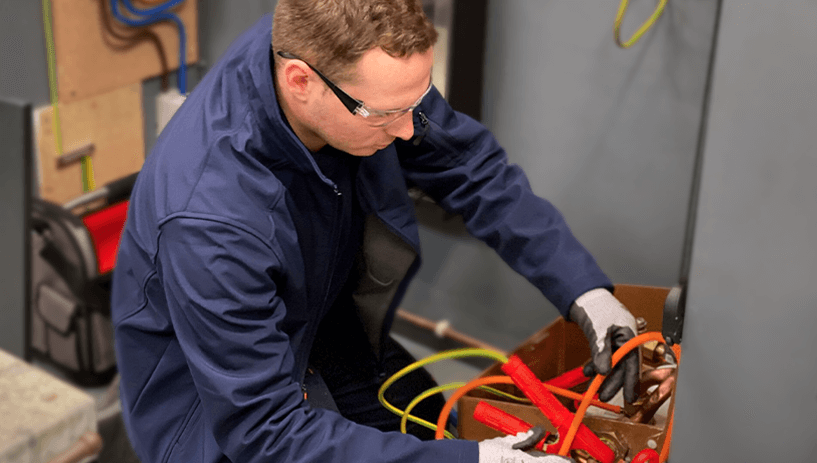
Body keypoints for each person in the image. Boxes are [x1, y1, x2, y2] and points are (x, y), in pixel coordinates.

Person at [111, 1, 639, 462]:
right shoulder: (211, 222)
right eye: (388, 115)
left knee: (438, 424)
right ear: (300, 81)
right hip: (220, 416)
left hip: (325, 327)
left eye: (417, 102)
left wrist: (585, 291)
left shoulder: (352, 68)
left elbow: (469, 167)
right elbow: (265, 433)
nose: (411, 131)